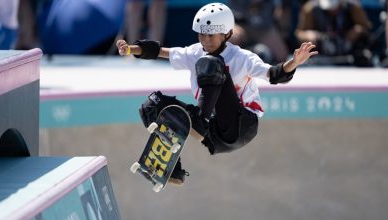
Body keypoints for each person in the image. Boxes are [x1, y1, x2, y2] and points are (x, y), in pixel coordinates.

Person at [116, 2, 317, 185]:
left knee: (212, 64)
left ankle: (199, 120)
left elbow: (274, 75)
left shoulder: (242, 57)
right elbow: (160, 51)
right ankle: (171, 168)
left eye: (210, 35)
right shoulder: (195, 52)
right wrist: (130, 49)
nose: (205, 40)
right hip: (214, 132)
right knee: (153, 104)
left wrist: (294, 62)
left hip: (240, 125)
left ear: (226, 34)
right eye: (201, 34)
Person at [295, 0, 373, 66]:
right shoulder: (310, 8)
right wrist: (308, 35)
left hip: (350, 51)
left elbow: (367, 28)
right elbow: (299, 33)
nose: (332, 11)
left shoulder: (353, 7)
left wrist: (358, 30)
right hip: (321, 51)